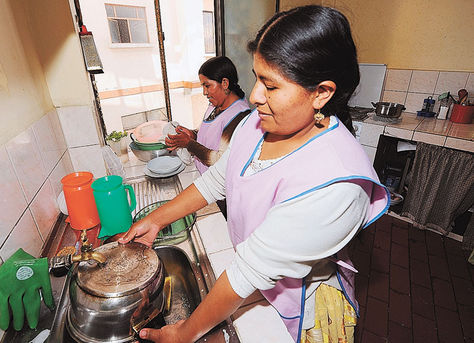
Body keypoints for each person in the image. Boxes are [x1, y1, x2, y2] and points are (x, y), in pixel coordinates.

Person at [119, 5, 390, 343]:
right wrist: (157, 218)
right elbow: (219, 179)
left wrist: (185, 334)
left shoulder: (337, 184)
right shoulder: (255, 124)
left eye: (271, 85)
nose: (255, 95)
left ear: (321, 92)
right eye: (257, 77)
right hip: (259, 283)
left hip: (301, 307)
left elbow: (250, 270)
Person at [166, 56, 250, 217]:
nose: (204, 92)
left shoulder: (239, 116)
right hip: (205, 180)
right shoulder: (215, 104)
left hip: (221, 194)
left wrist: (189, 143)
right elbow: (209, 133)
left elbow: (219, 160)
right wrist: (192, 134)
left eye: (207, 85)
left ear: (225, 83)